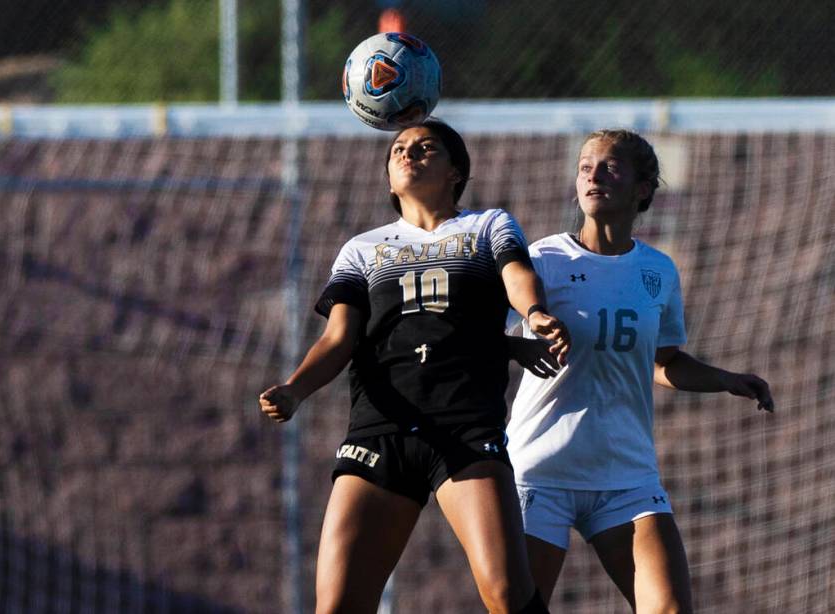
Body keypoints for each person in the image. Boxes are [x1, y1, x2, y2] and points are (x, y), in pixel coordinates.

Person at [259, 119, 568, 614]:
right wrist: (295, 389)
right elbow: (339, 337)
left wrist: (532, 314)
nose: (409, 154)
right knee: (336, 605)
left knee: (509, 597)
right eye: (399, 149)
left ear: (456, 172)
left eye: (427, 148)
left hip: (464, 428)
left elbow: (517, 275)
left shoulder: (487, 226)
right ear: (387, 179)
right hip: (379, 432)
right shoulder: (362, 250)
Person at [506, 129, 774, 612]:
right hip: (539, 473)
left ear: (643, 188)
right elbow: (485, 335)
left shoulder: (658, 271)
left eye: (610, 167)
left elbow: (662, 363)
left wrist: (724, 379)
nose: (594, 176)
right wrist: (517, 343)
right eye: (586, 167)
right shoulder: (540, 261)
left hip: (625, 475)